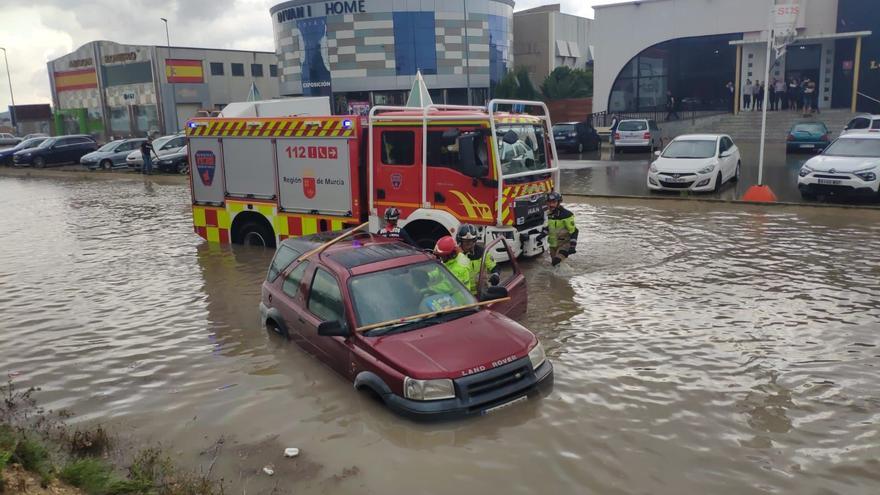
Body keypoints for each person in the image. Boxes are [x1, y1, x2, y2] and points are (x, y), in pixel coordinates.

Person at [456, 224, 500, 292]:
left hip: (480, 291)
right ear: (460, 241)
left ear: (475, 240)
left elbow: (494, 267)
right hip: (463, 293)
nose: (469, 244)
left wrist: (495, 275)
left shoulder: (483, 252)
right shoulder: (455, 255)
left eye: (472, 240)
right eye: (466, 241)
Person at [545, 192, 578, 267]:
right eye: (549, 202)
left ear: (559, 202)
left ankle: (568, 276)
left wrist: (573, 246)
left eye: (554, 202)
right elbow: (550, 227)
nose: (551, 205)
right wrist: (542, 234)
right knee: (554, 265)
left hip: (565, 244)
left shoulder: (567, 215)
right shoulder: (549, 214)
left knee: (556, 262)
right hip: (553, 245)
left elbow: (574, 231)